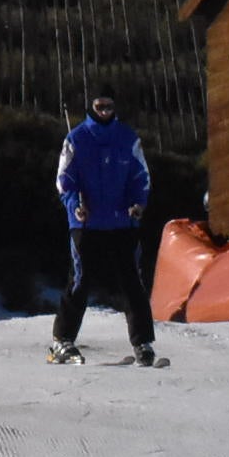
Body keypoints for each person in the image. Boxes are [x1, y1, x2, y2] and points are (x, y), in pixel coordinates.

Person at [50, 94, 157, 364]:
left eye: (110, 106)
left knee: (133, 282)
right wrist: (75, 205)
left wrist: (138, 203)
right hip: (86, 222)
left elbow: (140, 176)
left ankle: (143, 343)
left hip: (123, 221)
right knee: (80, 280)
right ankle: (61, 341)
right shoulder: (76, 138)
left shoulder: (127, 138)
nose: (105, 111)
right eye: (100, 106)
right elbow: (64, 180)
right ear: (91, 107)